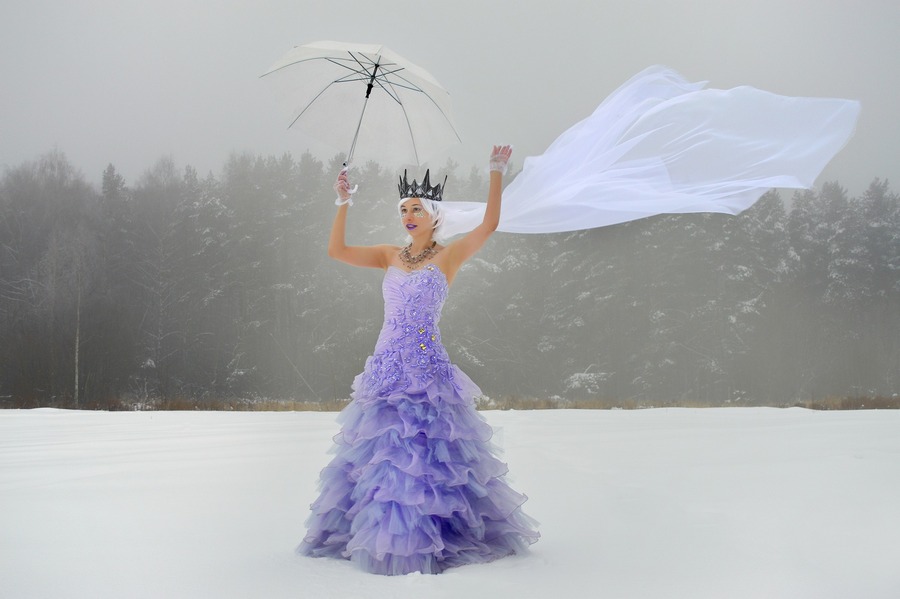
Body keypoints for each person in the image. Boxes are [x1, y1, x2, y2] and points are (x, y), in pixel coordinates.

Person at [297, 145, 541, 576]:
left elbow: (490, 224)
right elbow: (336, 251)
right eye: (404, 209)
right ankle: (377, 535)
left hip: (426, 371)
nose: (408, 216)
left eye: (416, 209)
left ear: (434, 215)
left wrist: (496, 172)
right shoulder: (390, 254)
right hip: (387, 369)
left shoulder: (448, 257)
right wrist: (342, 203)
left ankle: (430, 537)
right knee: (383, 458)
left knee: (428, 459)